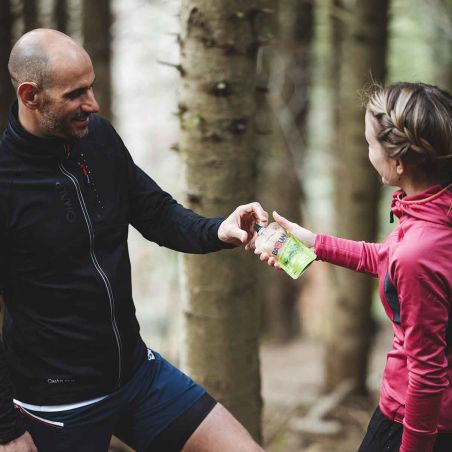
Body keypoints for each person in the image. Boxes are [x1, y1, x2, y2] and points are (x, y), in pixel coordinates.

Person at [0, 29, 268, 452]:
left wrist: (218, 229)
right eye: (76, 94)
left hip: (137, 375)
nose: (93, 104)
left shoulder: (98, 138)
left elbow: (156, 213)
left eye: (92, 87)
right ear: (31, 95)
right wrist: (5, 428)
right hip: (57, 405)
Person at [256, 82, 452, 452]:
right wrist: (315, 244)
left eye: (370, 144)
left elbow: (427, 375)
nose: (368, 154)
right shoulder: (435, 213)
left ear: (398, 161)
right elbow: (389, 258)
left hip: (412, 423)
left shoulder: (418, 252)